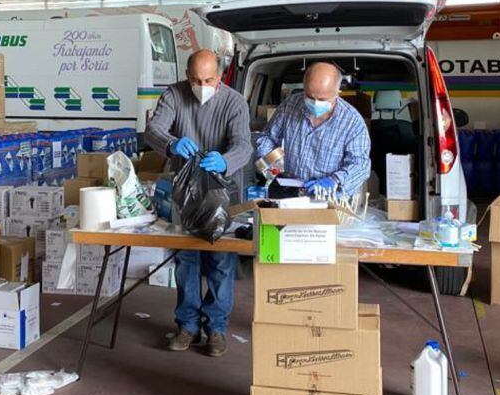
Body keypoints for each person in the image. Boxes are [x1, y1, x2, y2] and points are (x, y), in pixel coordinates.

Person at [145, 49, 252, 358]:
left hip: (222, 191)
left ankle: (216, 328)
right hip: (184, 192)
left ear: (219, 77)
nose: (201, 85)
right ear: (187, 76)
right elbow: (153, 129)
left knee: (220, 261)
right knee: (186, 261)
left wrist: (226, 160)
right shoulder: (174, 95)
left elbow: (244, 145)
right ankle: (187, 325)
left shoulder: (234, 102)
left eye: (208, 80)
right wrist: (170, 143)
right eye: (195, 79)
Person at [256, 62, 371, 197]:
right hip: (291, 192)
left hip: (329, 197)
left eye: (322, 99)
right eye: (310, 97)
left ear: (337, 92)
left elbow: (360, 165)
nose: (315, 103)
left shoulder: (352, 122)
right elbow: (267, 138)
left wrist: (334, 181)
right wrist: (272, 168)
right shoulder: (290, 106)